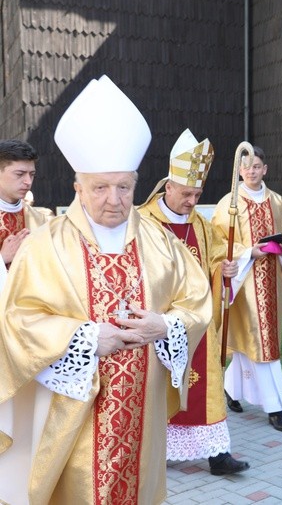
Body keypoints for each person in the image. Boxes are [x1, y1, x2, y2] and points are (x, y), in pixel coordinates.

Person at [0, 75, 212, 504]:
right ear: (78, 187)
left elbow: (197, 302)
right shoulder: (45, 245)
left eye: (124, 187)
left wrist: (167, 326)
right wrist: (85, 337)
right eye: (100, 187)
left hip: (143, 410)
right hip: (70, 409)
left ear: (137, 185)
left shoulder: (162, 243)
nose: (114, 199)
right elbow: (18, 319)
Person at [139, 128, 251, 475]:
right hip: (160, 324)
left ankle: (217, 455)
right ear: (167, 186)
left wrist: (225, 268)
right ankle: (156, 452)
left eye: (198, 194)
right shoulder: (142, 222)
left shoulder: (202, 225)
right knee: (159, 385)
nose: (191, 201)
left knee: (206, 382)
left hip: (198, 325)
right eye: (186, 193)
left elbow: (216, 261)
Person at [211, 145, 282, 432]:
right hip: (246, 283)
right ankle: (275, 408)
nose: (251, 171)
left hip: (273, 282)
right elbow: (218, 241)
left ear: (265, 169)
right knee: (258, 341)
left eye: (257, 166)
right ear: (239, 170)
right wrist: (249, 252)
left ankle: (232, 390)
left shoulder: (277, 200)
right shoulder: (229, 204)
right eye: (246, 166)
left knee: (254, 341)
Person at [0, 139, 50, 287]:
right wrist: (3, 257)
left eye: (32, 174)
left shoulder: (39, 220)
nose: (28, 181)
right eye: (20, 174)